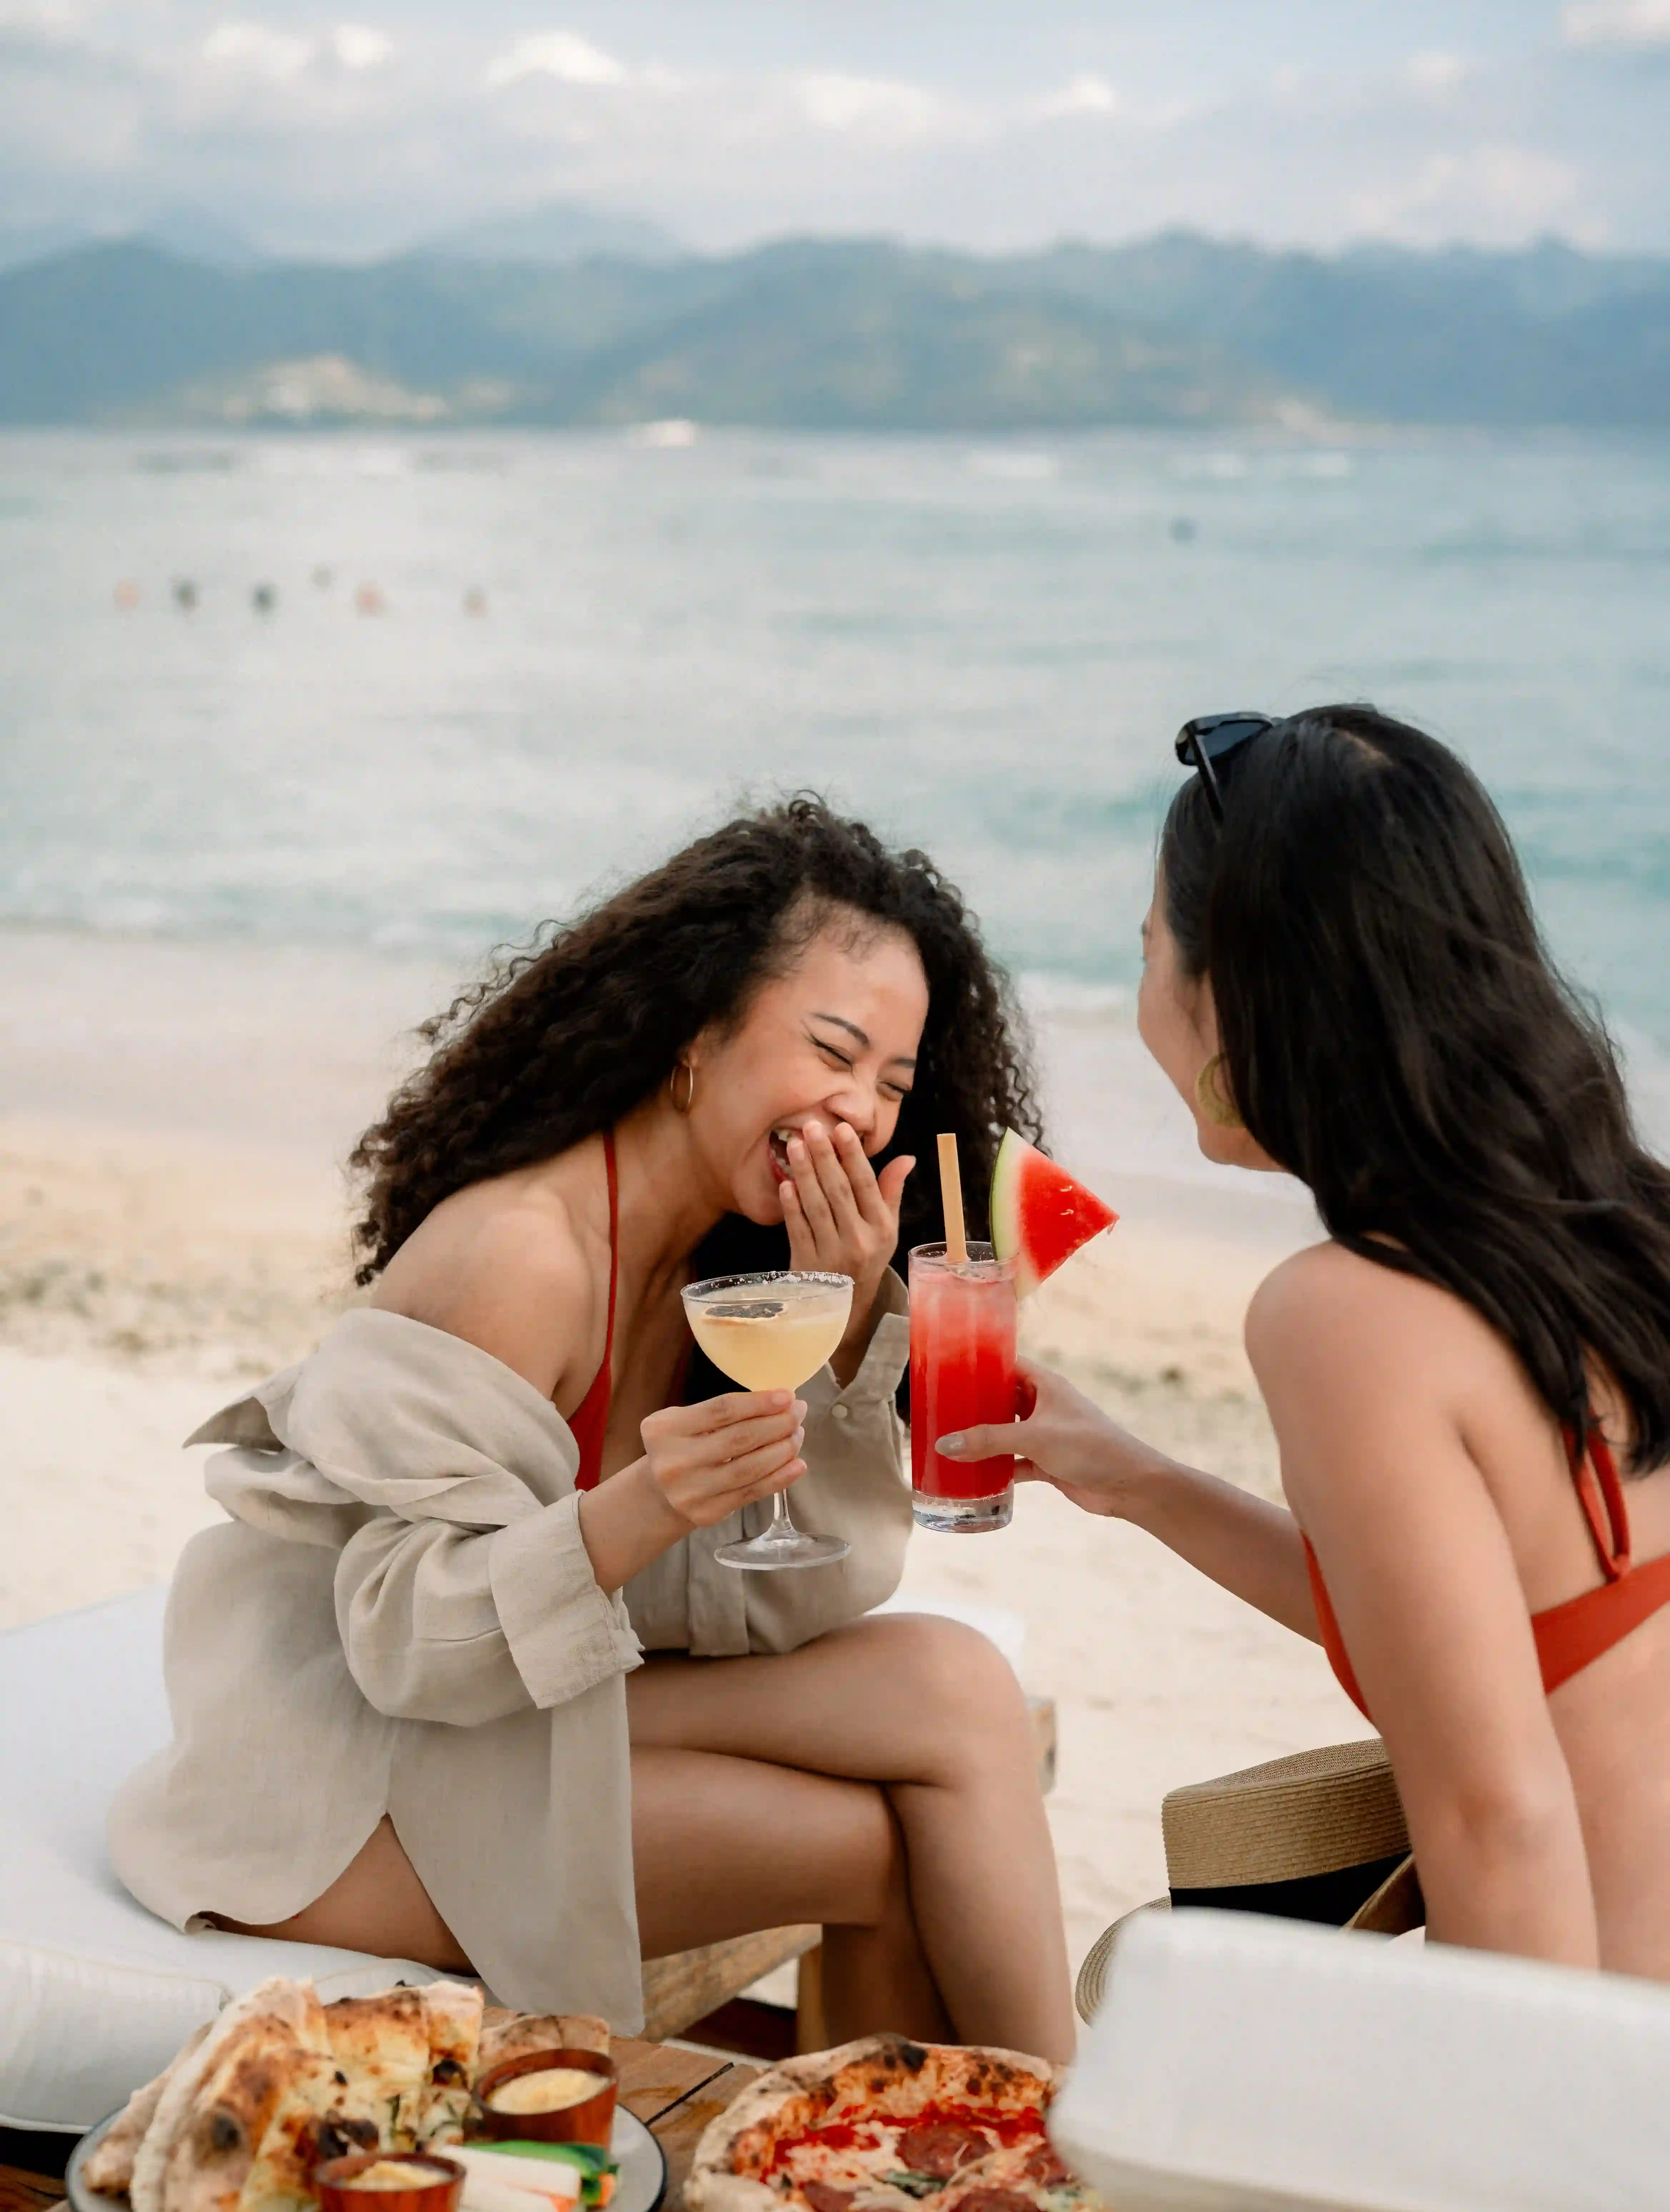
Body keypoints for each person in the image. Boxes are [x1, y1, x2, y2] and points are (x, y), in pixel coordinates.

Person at [110, 799, 1075, 2060]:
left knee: (958, 1685)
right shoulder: (524, 1254)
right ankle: (982, 2147)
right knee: (881, 1848)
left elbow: (799, 1599)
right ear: (694, 1033)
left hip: (510, 1712)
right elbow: (404, 1648)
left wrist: (844, 1328)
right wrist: (643, 1508)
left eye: (893, 1086)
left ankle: (1037, 2128)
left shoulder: (731, 1269)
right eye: (833, 1051)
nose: (862, 1111)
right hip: (344, 1777)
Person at [943, 707, 1670, 1980]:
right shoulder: (1618, 1231)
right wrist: (1142, 1482)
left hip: (1599, 2047)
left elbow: (1501, 1821)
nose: (1144, 991)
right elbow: (1469, 1629)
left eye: (1150, 948)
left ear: (1235, 995)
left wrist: (1504, 2108)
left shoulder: (1344, 1313)